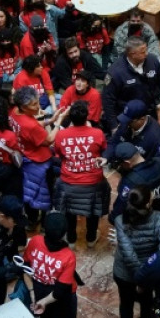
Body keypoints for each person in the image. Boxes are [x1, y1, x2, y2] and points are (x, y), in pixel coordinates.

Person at [53, 101, 109, 248]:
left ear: (70, 118)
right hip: (93, 183)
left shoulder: (61, 135)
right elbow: (103, 149)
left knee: (69, 212)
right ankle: (91, 239)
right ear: (87, 117)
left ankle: (71, 240)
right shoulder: (97, 133)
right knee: (93, 210)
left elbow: (59, 154)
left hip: (68, 182)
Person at [11, 86, 68, 226]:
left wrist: (50, 120)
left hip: (25, 157)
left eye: (37, 102)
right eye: (34, 104)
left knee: (29, 191)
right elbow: (48, 140)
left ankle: (32, 219)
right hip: (39, 161)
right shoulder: (30, 125)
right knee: (45, 192)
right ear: (23, 107)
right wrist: (58, 122)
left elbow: (34, 126)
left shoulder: (14, 113)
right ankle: (43, 222)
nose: (38, 107)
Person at [113, 185, 160, 318]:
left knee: (125, 303)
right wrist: (142, 280)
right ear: (148, 203)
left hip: (123, 272)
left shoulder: (120, 220)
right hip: (148, 272)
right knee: (146, 303)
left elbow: (128, 254)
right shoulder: (159, 219)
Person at [102, 36, 160, 131]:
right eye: (143, 52)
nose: (147, 54)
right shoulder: (115, 72)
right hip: (130, 117)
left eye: (146, 50)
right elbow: (108, 101)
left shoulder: (152, 60)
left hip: (150, 110)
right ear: (132, 54)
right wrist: (114, 126)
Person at [24, 213, 79, 318]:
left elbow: (25, 267)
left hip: (39, 290)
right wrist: (43, 302)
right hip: (61, 298)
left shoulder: (35, 241)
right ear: (64, 234)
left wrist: (33, 294)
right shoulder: (68, 256)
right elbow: (61, 290)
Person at [108, 142, 160, 224]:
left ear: (126, 163)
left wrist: (113, 218)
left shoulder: (131, 181)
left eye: (120, 164)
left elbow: (121, 206)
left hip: (143, 220)